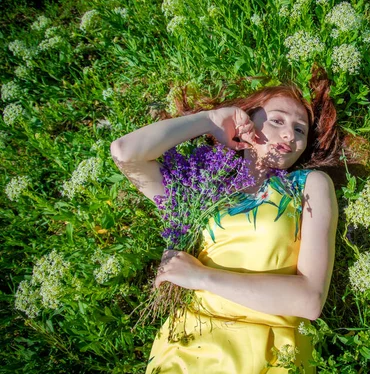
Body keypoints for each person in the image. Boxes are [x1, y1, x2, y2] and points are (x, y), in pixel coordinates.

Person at [110, 65, 344, 373]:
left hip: (269, 350)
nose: (290, 133)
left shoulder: (309, 185)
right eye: (277, 121)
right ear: (245, 122)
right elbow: (125, 153)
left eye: (300, 129)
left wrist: (198, 277)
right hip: (186, 346)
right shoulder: (201, 186)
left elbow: (310, 300)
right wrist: (211, 119)